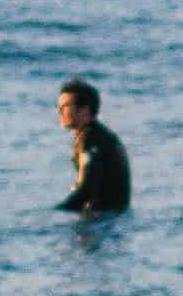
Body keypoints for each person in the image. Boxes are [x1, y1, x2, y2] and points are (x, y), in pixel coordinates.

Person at [54, 77, 131, 217]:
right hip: (114, 217)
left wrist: (54, 214)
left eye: (64, 106)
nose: (59, 112)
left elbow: (85, 190)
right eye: (58, 107)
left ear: (84, 109)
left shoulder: (91, 140)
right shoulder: (99, 135)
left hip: (104, 219)